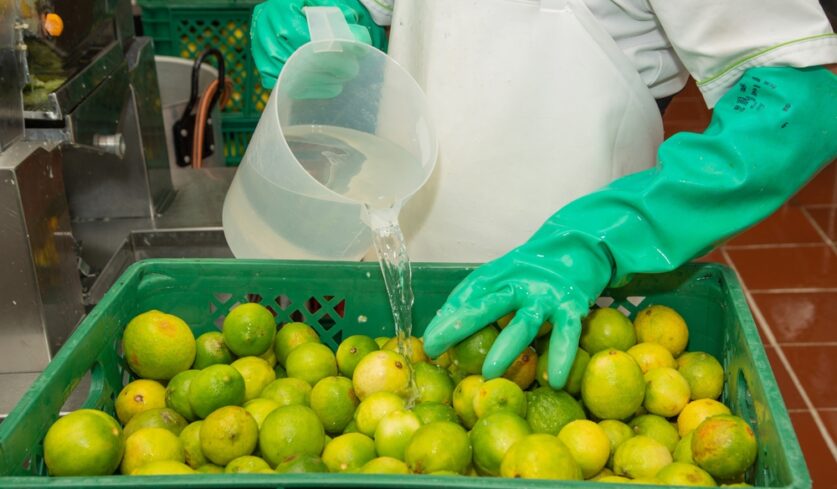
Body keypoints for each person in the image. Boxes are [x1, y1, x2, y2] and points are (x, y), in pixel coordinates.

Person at [251, 0, 837, 388]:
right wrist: (327, 17)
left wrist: (609, 238)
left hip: (584, 297)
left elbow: (799, 98)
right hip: (403, 252)